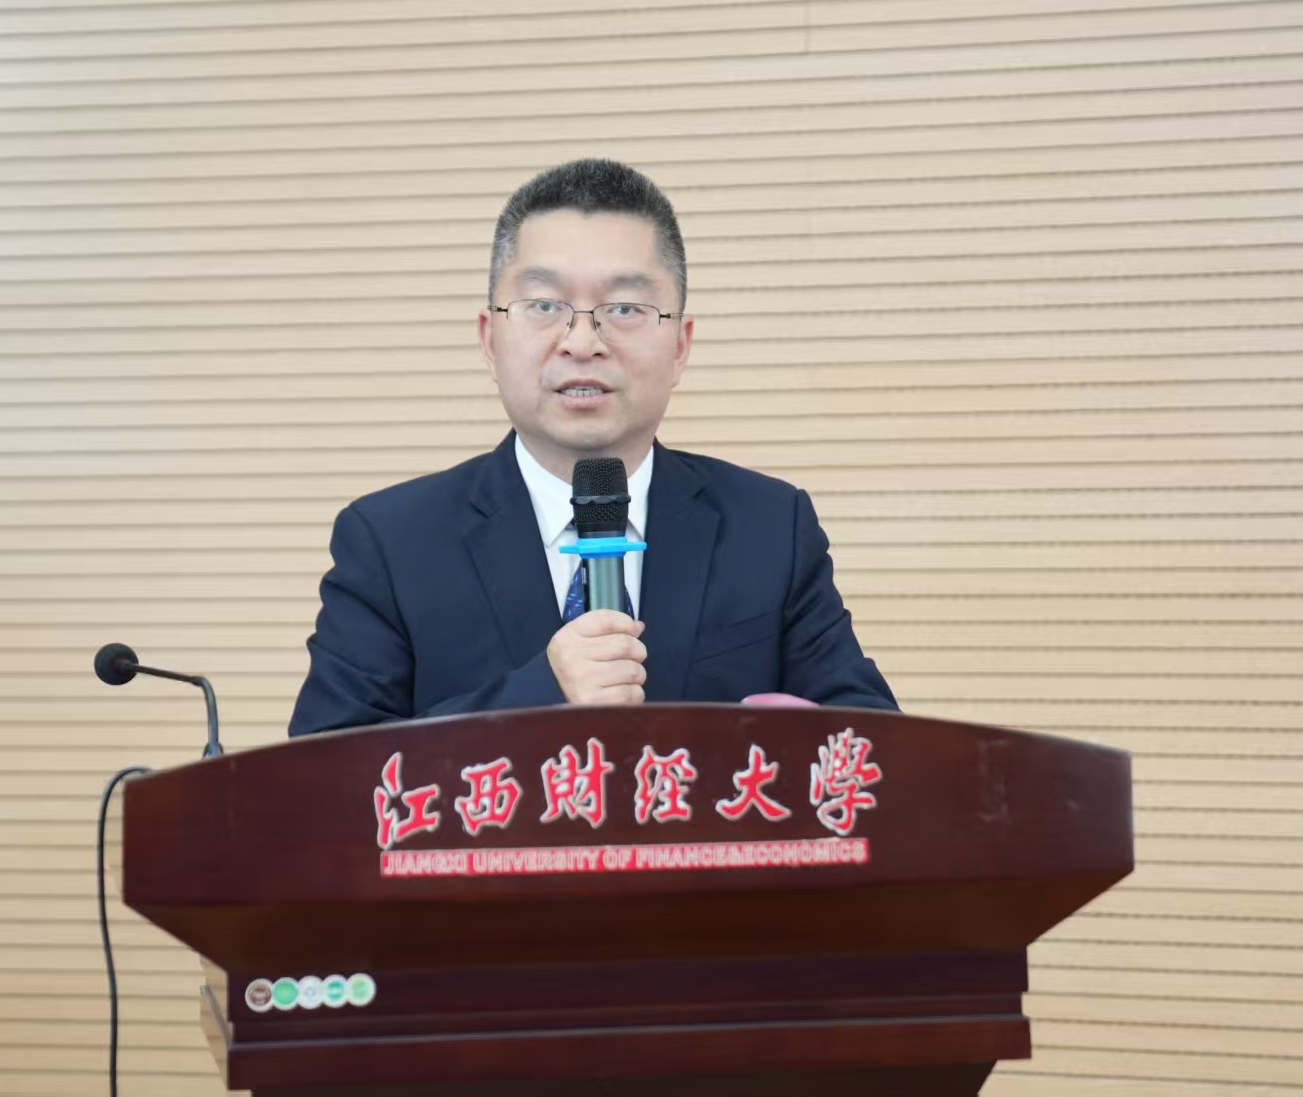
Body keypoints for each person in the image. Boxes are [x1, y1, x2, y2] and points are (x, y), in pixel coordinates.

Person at [287, 158, 897, 735]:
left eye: (626, 307)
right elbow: (326, 775)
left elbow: (874, 746)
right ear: (490, 340)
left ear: (681, 345)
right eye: (544, 305)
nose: (582, 342)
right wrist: (540, 694)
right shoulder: (390, 542)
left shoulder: (770, 526)